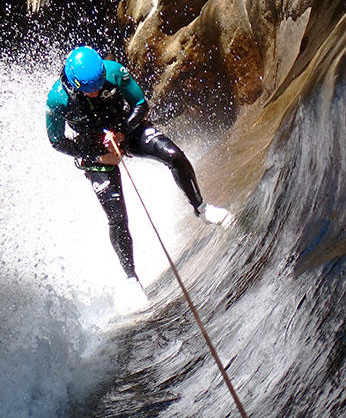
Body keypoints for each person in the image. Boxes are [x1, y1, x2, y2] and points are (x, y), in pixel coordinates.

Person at [45, 46, 231, 282]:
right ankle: (131, 279)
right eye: (89, 91)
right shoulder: (57, 100)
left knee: (174, 156)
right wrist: (97, 154)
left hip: (126, 129)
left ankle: (202, 209)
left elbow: (140, 104)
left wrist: (122, 133)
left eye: (99, 86)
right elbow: (57, 142)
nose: (96, 92)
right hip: (95, 150)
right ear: (75, 85)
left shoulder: (114, 72)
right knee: (117, 217)